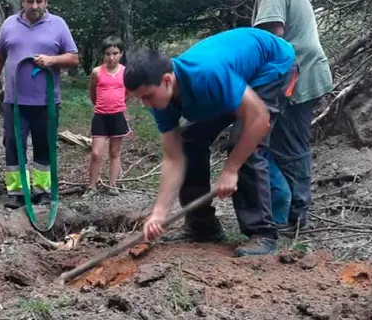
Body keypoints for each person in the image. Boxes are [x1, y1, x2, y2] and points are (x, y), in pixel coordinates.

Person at [125, 27, 298, 257]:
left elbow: (260, 119)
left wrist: (231, 168)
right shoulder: (161, 100)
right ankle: (202, 226)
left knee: (244, 145)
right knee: (189, 142)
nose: (146, 104)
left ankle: (262, 232)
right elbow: (173, 157)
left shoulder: (206, 75)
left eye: (147, 97)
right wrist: (159, 212)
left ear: (167, 80)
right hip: (231, 83)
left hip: (270, 65)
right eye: (140, 99)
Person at [228, 0, 333, 232]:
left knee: (288, 146)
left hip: (294, 75)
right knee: (281, 143)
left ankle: (296, 217)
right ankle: (288, 210)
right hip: (302, 70)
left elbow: (270, 39)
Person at [0, 0, 79, 209]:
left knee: (44, 145)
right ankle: (17, 192)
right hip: (15, 101)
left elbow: (73, 57)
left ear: (46, 2)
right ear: (22, 2)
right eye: (30, 1)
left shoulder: (58, 24)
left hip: (46, 102)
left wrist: (52, 60)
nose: (34, 5)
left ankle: (43, 192)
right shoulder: (9, 25)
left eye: (39, 1)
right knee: (13, 145)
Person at [83, 36, 130, 198]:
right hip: (101, 116)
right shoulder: (97, 71)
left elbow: (128, 93)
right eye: (108, 54)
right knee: (96, 153)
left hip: (118, 116)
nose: (111, 57)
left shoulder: (125, 72)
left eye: (115, 53)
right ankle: (91, 187)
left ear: (121, 54)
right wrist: (100, 105)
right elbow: (92, 92)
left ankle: (113, 185)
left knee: (115, 152)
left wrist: (120, 104)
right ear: (103, 54)